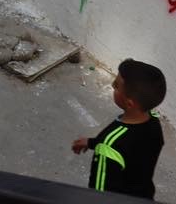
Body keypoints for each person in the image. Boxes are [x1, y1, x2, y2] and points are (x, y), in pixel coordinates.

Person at [71, 59, 167, 198]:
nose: (111, 85)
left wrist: (101, 146)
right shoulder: (153, 121)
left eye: (116, 86)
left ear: (129, 103)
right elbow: (127, 148)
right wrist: (92, 143)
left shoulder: (109, 146)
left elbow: (98, 195)